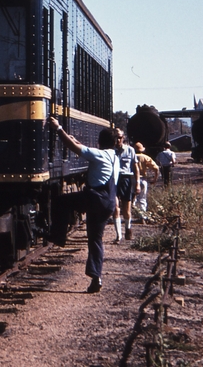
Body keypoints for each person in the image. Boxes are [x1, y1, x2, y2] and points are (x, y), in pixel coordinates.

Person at [45, 116, 119, 293]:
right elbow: (79, 145)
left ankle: (58, 236)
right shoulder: (114, 156)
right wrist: (71, 137)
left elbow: (74, 147)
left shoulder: (99, 154)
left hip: (95, 199)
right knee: (95, 239)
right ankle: (96, 277)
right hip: (108, 202)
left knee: (61, 202)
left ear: (100, 142)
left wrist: (58, 128)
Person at [112, 129, 140, 241]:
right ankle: (118, 235)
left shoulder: (130, 150)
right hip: (113, 180)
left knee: (126, 210)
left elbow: (135, 167)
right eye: (116, 137)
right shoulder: (110, 151)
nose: (118, 140)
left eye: (120, 137)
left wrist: (137, 183)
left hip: (126, 180)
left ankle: (128, 229)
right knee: (115, 208)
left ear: (123, 138)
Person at [133, 142, 159, 218]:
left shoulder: (131, 157)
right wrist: (155, 179)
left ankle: (131, 214)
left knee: (132, 198)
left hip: (132, 179)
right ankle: (143, 216)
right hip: (143, 179)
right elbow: (156, 168)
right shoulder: (145, 157)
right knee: (142, 198)